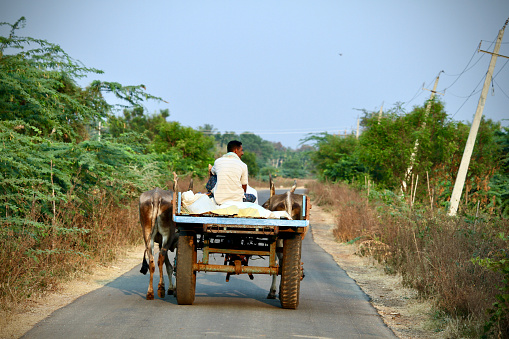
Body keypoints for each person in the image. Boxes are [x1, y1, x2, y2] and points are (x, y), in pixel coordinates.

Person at [207, 140, 256, 205]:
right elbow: (244, 189)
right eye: (241, 150)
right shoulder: (243, 165)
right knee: (253, 197)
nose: (242, 153)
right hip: (237, 200)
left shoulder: (218, 161)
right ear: (236, 150)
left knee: (213, 175)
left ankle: (211, 194)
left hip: (219, 199)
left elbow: (211, 174)